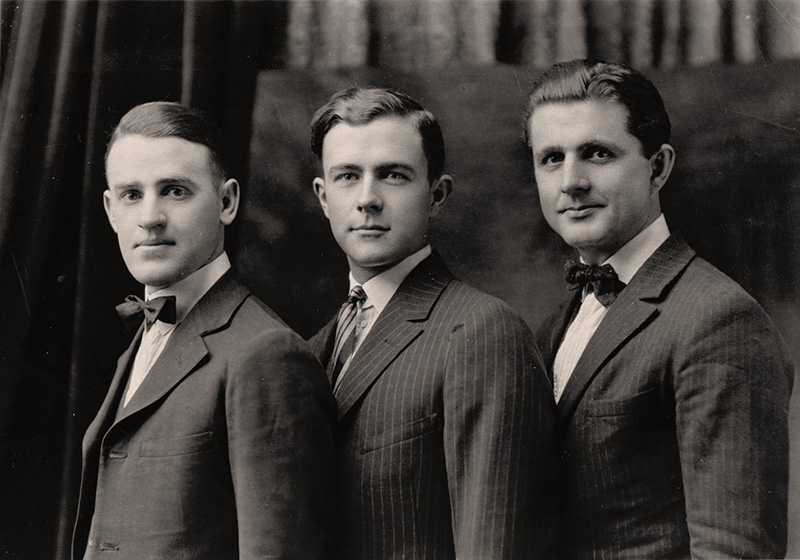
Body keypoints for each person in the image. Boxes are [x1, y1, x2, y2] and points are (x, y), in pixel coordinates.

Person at [524, 58, 794, 559]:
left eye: (597, 153)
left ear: (658, 167)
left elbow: (734, 551)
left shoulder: (717, 320)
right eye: (551, 159)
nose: (571, 181)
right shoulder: (556, 325)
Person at [72, 101, 335, 559]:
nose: (150, 217)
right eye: (132, 195)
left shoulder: (265, 352)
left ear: (227, 202)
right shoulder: (144, 341)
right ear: (112, 211)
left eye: (175, 191)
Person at [308, 87, 557, 559]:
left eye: (393, 175)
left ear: (437, 194)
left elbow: (494, 546)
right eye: (346, 177)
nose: (367, 199)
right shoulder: (311, 348)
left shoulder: (480, 331)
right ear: (323, 197)